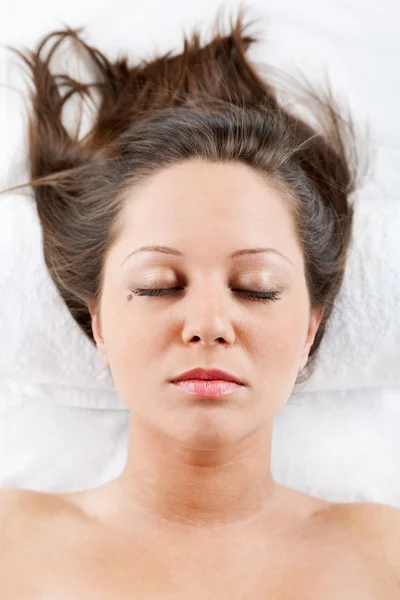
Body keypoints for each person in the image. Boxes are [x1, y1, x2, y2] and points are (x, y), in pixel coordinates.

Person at [1, 7, 399, 598]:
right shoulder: (13, 543)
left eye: (257, 287)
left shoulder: (383, 554)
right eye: (160, 284)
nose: (209, 325)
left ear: (311, 327)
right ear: (100, 322)